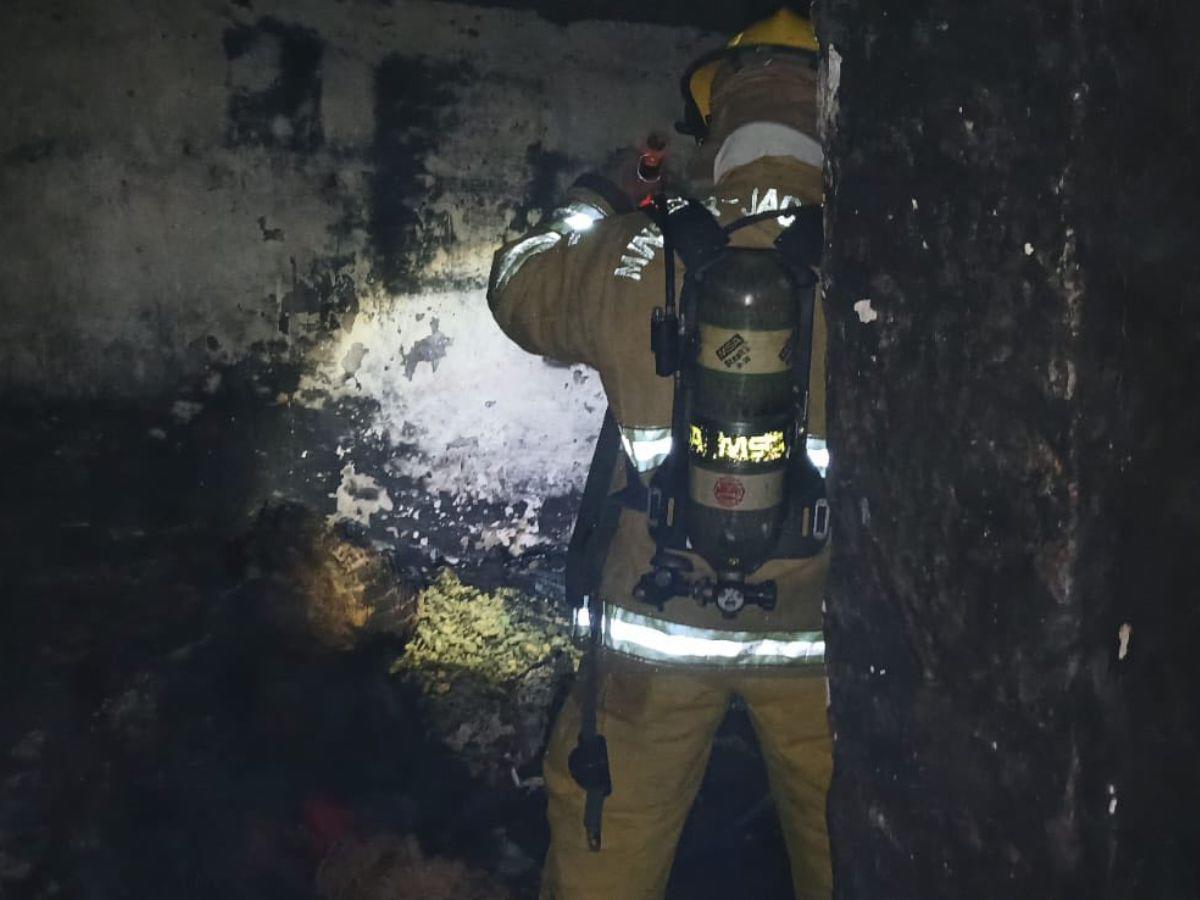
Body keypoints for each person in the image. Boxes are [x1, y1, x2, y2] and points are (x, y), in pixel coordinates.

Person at [488, 9, 832, 899]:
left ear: (717, 120)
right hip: (825, 640)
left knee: (610, 848)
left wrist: (594, 200)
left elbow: (515, 286)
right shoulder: (899, 251)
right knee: (854, 849)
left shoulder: (637, 247)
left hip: (655, 625)